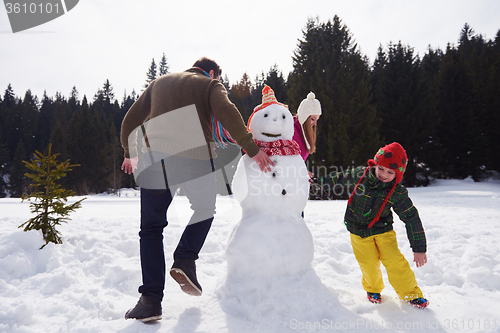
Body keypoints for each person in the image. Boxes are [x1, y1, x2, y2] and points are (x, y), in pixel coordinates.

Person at [120, 57, 274, 322]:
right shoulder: (210, 85)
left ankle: (150, 301)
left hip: (156, 161)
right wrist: (252, 148)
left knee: (151, 229)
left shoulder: (159, 83)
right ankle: (185, 258)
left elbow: (130, 120)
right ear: (212, 72)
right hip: (195, 159)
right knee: (204, 210)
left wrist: (128, 152)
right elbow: (228, 113)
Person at [322, 142, 428, 308]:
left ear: (398, 174)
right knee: (368, 264)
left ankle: (410, 294)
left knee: (395, 262)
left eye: (390, 172)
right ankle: (373, 289)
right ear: (375, 164)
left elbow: (411, 217)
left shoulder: (396, 192)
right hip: (358, 231)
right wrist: (317, 181)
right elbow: (338, 178)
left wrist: (419, 248)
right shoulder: (361, 175)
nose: (384, 174)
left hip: (383, 231)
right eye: (381, 169)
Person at [292, 91, 321, 162]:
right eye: (313, 119)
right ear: (304, 117)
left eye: (317, 119)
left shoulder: (303, 132)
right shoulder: (291, 131)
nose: (315, 124)